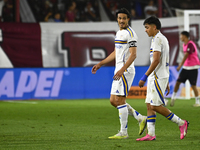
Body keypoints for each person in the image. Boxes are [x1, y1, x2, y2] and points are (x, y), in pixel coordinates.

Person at [91, 8, 147, 139]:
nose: (121, 20)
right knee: (113, 100)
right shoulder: (119, 33)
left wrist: (122, 69)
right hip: (119, 70)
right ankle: (140, 118)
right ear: (117, 19)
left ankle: (123, 132)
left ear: (128, 19)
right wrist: (101, 63)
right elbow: (116, 52)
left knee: (121, 100)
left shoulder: (131, 34)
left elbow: (133, 55)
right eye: (119, 18)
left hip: (125, 71)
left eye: (124, 18)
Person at [136, 16, 189, 141]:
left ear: (154, 27)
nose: (145, 30)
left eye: (147, 27)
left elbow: (156, 61)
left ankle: (181, 123)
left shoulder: (158, 39)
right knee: (149, 104)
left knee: (155, 106)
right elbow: (165, 61)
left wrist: (144, 76)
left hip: (157, 77)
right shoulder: (159, 38)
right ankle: (151, 134)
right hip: (157, 77)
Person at [170, 31, 200, 107]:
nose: (180, 37)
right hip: (186, 67)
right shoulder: (184, 44)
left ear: (184, 36)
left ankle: (197, 102)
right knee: (177, 82)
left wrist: (180, 65)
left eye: (181, 36)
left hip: (193, 67)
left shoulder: (190, 44)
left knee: (193, 85)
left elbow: (186, 55)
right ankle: (173, 97)